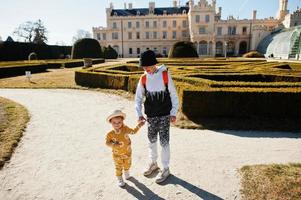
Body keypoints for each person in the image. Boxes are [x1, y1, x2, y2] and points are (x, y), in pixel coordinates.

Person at [135, 50, 179, 183]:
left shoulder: (165, 75)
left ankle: (166, 168)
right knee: (151, 141)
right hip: (151, 117)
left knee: (164, 142)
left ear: (153, 64)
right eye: (143, 67)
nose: (145, 69)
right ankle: (153, 163)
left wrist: (173, 112)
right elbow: (138, 98)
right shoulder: (143, 78)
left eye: (146, 66)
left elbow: (173, 94)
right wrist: (139, 114)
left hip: (165, 115)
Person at [105, 110, 145, 187]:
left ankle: (126, 172)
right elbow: (107, 143)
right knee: (118, 167)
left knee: (128, 164)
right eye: (114, 122)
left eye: (119, 122)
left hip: (127, 152)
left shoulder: (125, 129)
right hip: (117, 155)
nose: (117, 124)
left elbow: (133, 131)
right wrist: (113, 144)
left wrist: (139, 125)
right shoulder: (110, 134)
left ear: (122, 121)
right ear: (111, 122)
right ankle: (119, 178)